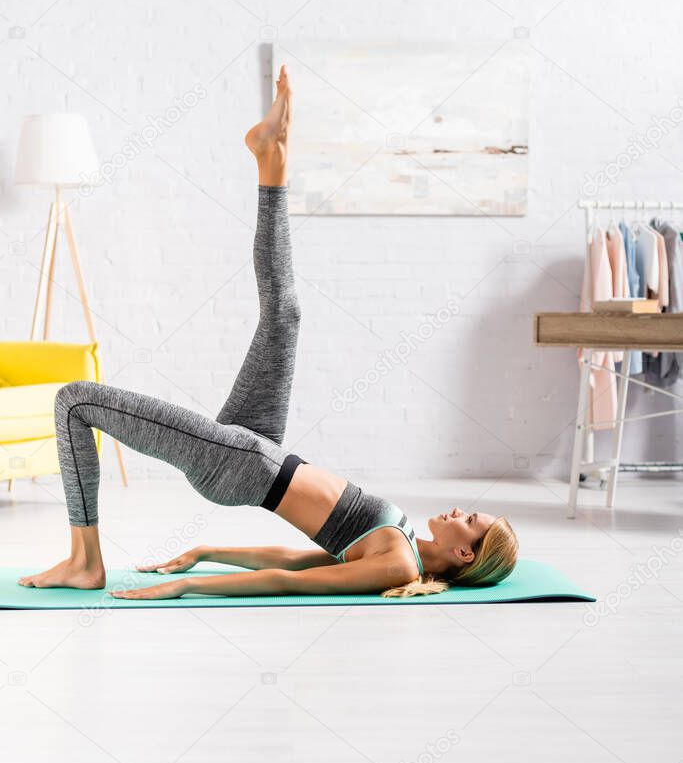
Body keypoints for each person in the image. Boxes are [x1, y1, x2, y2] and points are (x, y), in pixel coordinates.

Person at [19, 66, 518, 600]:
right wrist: (206, 552)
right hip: (262, 448)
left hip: (245, 466)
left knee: (74, 401)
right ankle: (271, 162)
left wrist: (187, 588)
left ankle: (85, 560)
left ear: (466, 552)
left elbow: (287, 584)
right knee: (285, 314)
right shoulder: (405, 546)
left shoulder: (398, 566)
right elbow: (297, 560)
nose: (459, 510)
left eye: (470, 519)